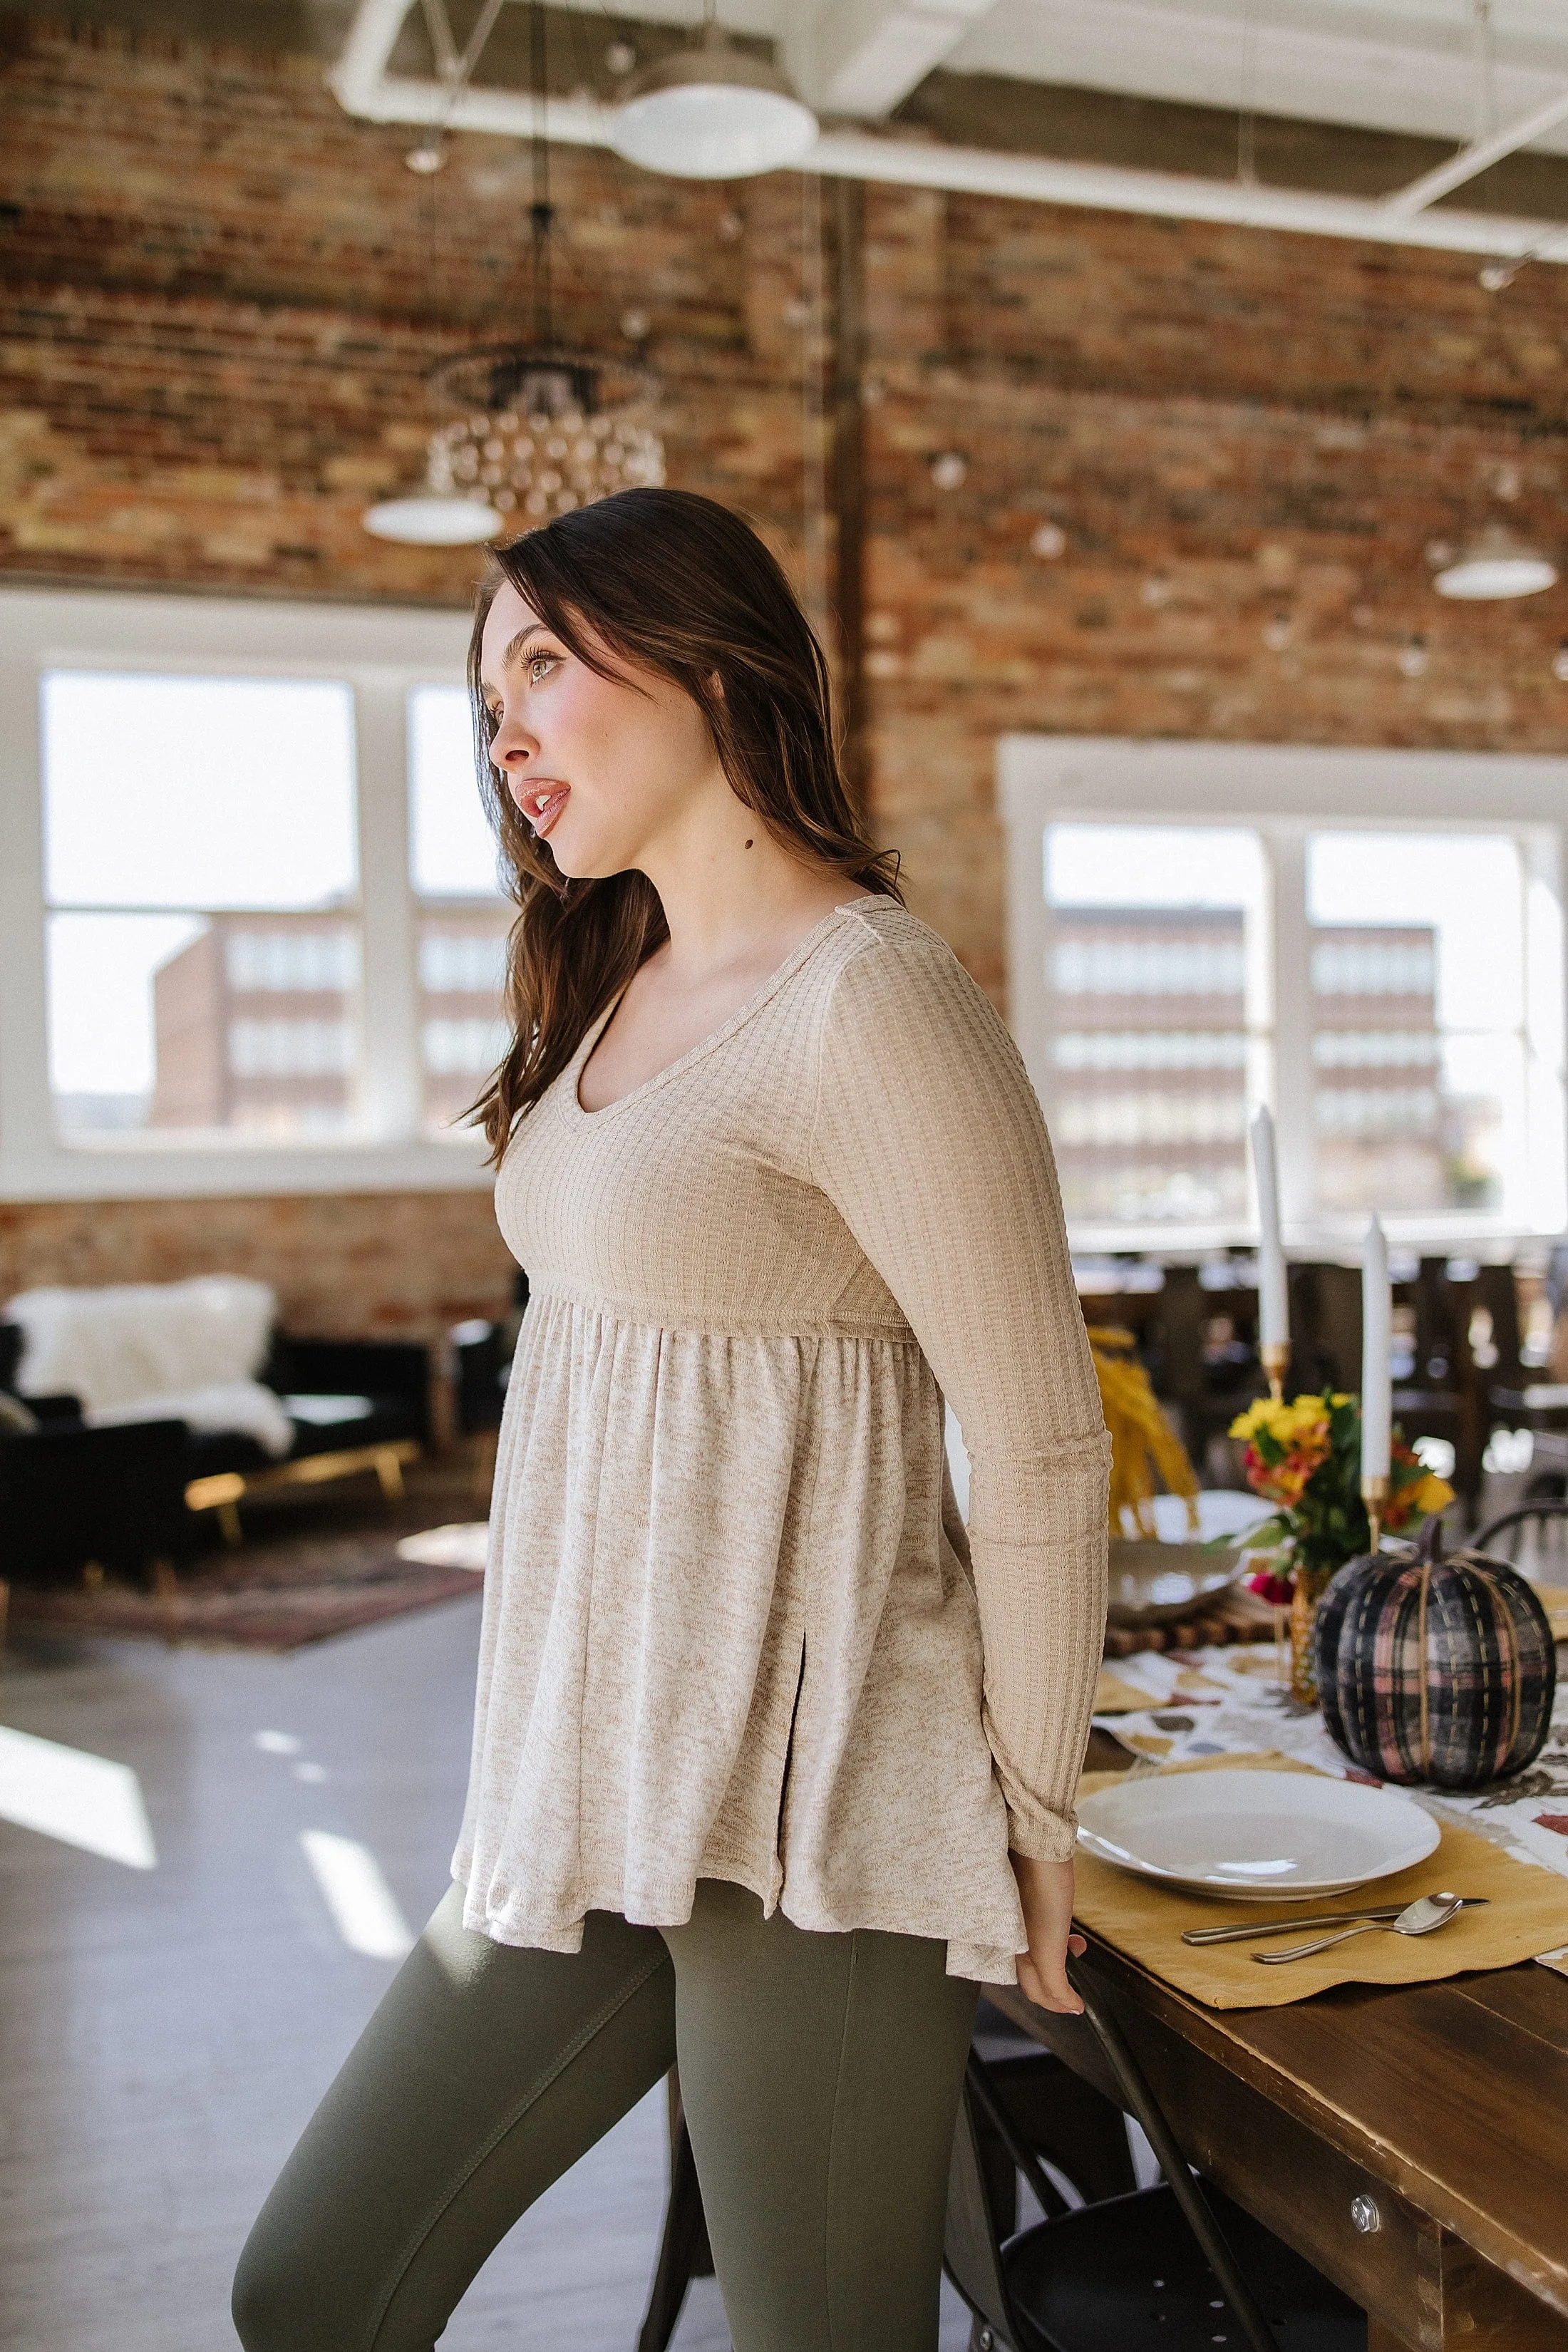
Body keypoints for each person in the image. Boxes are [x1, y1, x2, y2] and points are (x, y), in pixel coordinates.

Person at [233, 487, 1109, 2352]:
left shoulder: (875, 1000)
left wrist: (1039, 1819)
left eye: (545, 663)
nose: (508, 732)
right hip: (594, 1780)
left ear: (709, 658)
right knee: (310, 2283)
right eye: (488, 699)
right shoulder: (613, 976)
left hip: (810, 1822)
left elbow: (1035, 1433)